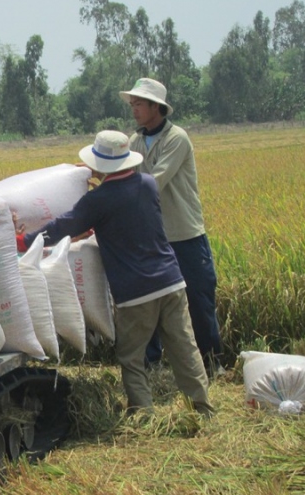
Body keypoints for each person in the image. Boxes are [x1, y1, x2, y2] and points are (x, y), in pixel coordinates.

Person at [15, 130, 213, 416]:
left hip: (136, 293)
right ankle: (203, 408)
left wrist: (24, 240)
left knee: (131, 357)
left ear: (101, 165)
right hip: (172, 282)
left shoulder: (98, 200)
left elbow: (63, 226)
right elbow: (125, 217)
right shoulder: (147, 184)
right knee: (184, 348)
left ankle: (143, 415)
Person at [120, 78, 223, 374]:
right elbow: (124, 175)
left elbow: (154, 181)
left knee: (198, 299)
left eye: (139, 104)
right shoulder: (136, 141)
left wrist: (111, 191)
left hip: (185, 234)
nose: (135, 109)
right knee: (149, 299)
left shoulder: (177, 138)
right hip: (153, 236)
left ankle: (211, 362)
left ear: (157, 107)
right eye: (133, 104)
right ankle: (153, 364)